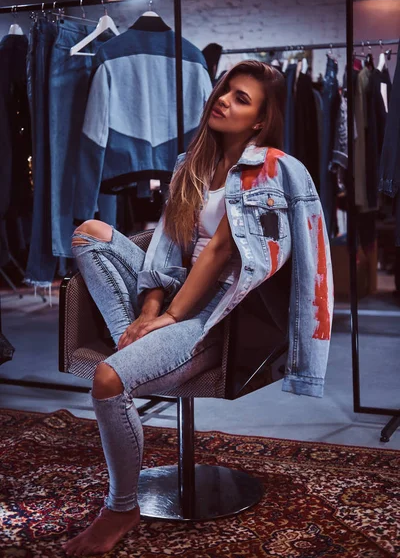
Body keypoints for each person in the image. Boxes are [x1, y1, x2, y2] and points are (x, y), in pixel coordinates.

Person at [64, 60, 333, 556]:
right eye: (225, 90)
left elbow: (220, 252)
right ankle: (133, 343)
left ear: (259, 121)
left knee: (106, 380)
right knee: (90, 232)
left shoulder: (270, 169)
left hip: (219, 312)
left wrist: (168, 317)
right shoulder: (193, 164)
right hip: (173, 290)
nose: (224, 100)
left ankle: (120, 507)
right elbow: (167, 245)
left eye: (241, 98)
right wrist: (148, 312)